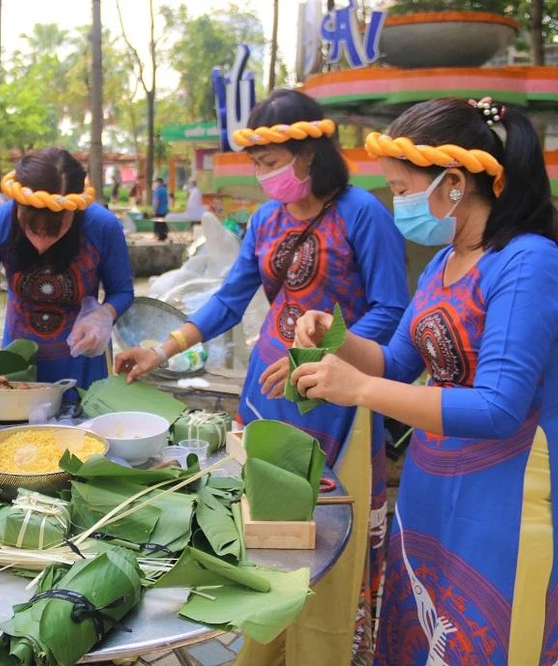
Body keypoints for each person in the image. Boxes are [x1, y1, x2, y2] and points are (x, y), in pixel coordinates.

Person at [289, 97, 558, 664]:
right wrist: (334, 334)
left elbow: (498, 407)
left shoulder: (526, 263)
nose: (396, 203)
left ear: (452, 183)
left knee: (483, 639)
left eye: (401, 189)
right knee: (419, 632)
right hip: (430, 485)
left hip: (504, 491)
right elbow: (396, 363)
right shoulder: (443, 262)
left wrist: (359, 390)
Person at [116, 88, 409, 649]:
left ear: (309, 156)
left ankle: (320, 651)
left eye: (269, 163)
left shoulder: (362, 214)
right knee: (267, 533)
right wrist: (162, 348)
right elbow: (230, 299)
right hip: (267, 398)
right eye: (256, 164)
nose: (261, 176)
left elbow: (392, 308)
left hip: (337, 401)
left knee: (327, 536)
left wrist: (328, 351)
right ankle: (266, 644)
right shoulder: (267, 219)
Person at [0, 147, 134, 392]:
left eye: (55, 229)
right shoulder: (0, 221)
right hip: (19, 362)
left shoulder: (102, 226)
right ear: (18, 207)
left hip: (83, 360)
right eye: (31, 228)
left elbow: (122, 292)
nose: (41, 243)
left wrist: (103, 315)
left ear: (74, 210)